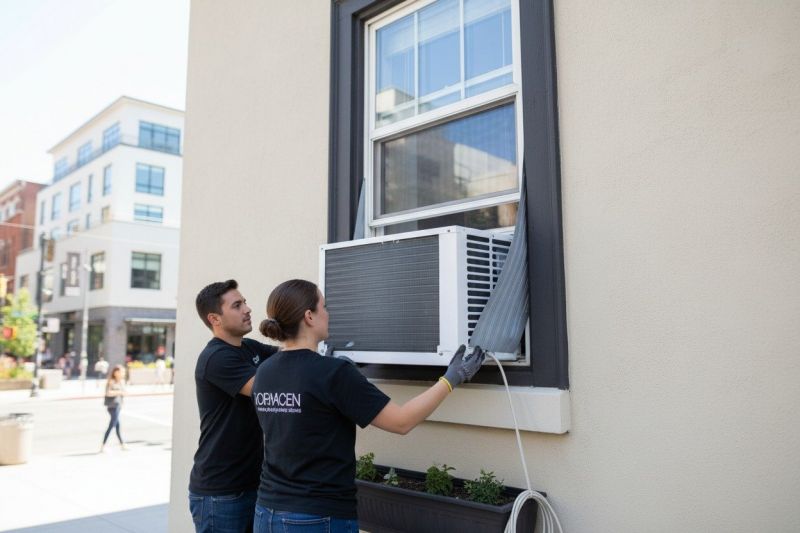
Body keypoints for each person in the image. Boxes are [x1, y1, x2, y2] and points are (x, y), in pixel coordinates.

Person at [252, 279, 485, 533]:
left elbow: (300, 419)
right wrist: (452, 378)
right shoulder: (333, 373)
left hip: (267, 512)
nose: (328, 314)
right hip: (316, 516)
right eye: (324, 306)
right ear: (309, 316)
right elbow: (401, 421)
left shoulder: (265, 371)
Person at [189, 279, 279, 533]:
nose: (248, 309)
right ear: (215, 319)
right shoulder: (216, 358)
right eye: (237, 305)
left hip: (250, 484)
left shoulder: (249, 347)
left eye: (245, 302)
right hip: (220, 493)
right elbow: (267, 390)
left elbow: (289, 356)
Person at [100, 365, 127, 452]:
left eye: (123, 372)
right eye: (121, 372)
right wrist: (119, 392)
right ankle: (103, 446)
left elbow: (124, 392)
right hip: (112, 407)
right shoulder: (111, 381)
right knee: (112, 425)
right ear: (115, 372)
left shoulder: (121, 382)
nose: (122, 374)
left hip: (118, 406)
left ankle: (122, 444)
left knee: (117, 425)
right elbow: (108, 393)